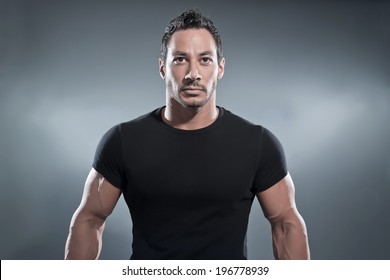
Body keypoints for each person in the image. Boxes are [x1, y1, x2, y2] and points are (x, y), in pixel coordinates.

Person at [64, 9, 310, 260]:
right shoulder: (122, 141)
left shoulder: (257, 143)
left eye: (205, 60)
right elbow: (89, 220)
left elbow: (285, 224)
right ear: (162, 68)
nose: (193, 74)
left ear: (220, 68)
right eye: (180, 59)